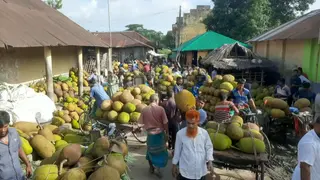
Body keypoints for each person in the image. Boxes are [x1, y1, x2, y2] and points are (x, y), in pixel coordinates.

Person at [172, 109, 214, 180]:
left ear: (197, 122)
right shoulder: (180, 134)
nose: (190, 126)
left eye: (193, 123)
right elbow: (177, 151)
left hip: (200, 171)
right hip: (186, 172)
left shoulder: (204, 133)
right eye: (188, 123)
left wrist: (210, 161)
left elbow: (209, 147)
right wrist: (174, 165)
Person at [138, 94, 169, 177]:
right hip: (160, 135)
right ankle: (158, 169)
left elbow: (140, 123)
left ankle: (151, 167)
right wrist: (167, 133)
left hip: (150, 135)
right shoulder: (161, 109)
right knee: (160, 152)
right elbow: (165, 123)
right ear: (156, 100)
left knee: (150, 151)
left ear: (149, 101)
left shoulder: (144, 110)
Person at [0, 111, 32, 180]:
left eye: (5, 126)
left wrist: (28, 164)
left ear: (8, 124)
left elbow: (19, 149)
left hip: (19, 176)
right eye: (0, 127)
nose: (3, 130)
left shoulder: (14, 132)